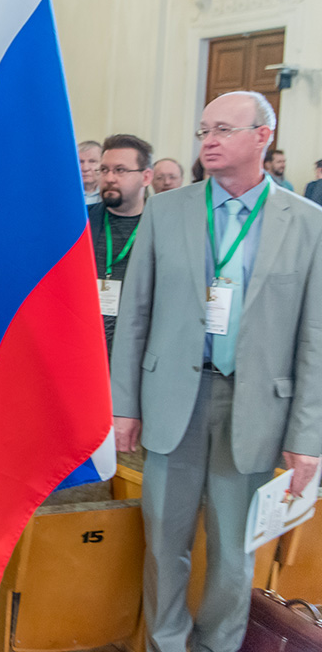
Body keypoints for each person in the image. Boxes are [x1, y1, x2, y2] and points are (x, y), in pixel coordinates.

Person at [111, 91, 322, 652]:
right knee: (164, 540)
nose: (209, 140)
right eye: (205, 128)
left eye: (225, 129)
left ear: (263, 137)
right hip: (172, 396)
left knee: (233, 548)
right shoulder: (168, 208)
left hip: (253, 407)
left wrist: (307, 438)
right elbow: (136, 314)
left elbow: (315, 339)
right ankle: (166, 642)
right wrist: (123, 404)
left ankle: (218, 645)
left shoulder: (307, 223)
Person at [88, 134, 153, 354]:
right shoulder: (81, 223)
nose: (110, 178)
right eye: (104, 170)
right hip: (85, 352)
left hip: (136, 352)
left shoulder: (162, 226)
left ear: (146, 177)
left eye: (120, 170)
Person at [79, 140, 102, 204]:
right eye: (81, 162)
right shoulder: (65, 194)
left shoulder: (111, 194)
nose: (85, 168)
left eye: (92, 161)